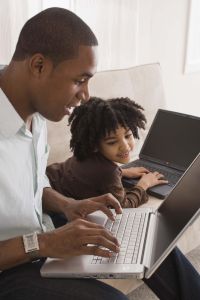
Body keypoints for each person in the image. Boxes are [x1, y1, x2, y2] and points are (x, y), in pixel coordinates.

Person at [0, 7, 200, 300]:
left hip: (40, 232)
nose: (86, 95)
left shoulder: (36, 111)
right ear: (39, 66)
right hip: (10, 269)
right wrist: (43, 244)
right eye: (80, 80)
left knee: (152, 239)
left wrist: (68, 205)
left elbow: (30, 184)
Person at [47, 97, 167, 208]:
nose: (125, 147)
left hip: (50, 175)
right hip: (48, 199)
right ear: (95, 145)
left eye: (128, 135)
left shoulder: (85, 153)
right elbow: (123, 207)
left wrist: (122, 172)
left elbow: (91, 175)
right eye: (112, 142)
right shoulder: (108, 174)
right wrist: (143, 185)